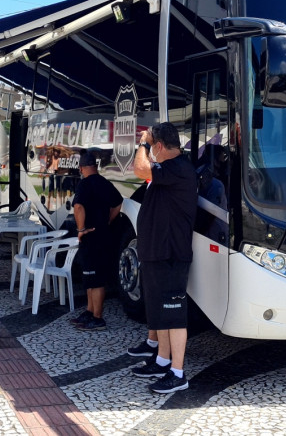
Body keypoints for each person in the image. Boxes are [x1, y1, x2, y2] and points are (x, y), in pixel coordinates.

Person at [129, 122, 197, 394]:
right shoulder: (168, 171)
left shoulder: (179, 169)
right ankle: (162, 361)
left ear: (158, 146)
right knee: (161, 314)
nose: (149, 150)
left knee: (174, 314)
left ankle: (178, 373)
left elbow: (139, 169)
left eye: (151, 145)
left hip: (171, 254)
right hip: (158, 253)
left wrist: (142, 144)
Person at [70, 152, 122, 331]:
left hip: (91, 236)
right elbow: (118, 203)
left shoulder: (84, 184)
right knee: (90, 276)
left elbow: (78, 207)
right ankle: (90, 311)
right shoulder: (105, 183)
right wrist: (108, 220)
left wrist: (81, 229)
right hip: (103, 234)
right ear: (96, 166)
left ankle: (98, 317)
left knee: (95, 278)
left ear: (81, 168)